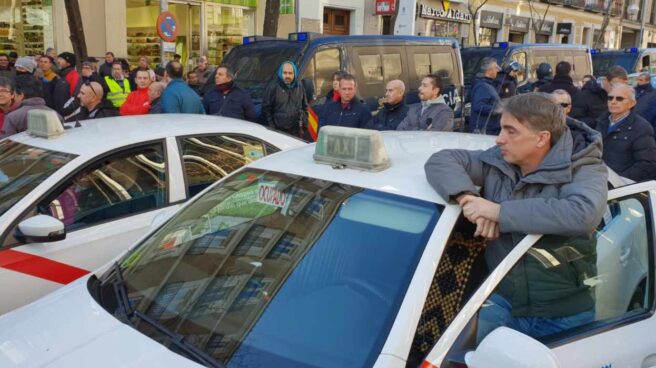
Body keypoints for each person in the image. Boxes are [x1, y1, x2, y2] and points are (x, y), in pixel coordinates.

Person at [425, 92, 607, 341]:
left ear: (541, 138)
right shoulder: (499, 162)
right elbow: (440, 160)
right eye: (501, 129)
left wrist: (498, 212)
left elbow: (582, 213)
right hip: (500, 300)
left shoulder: (583, 166)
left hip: (563, 313)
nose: (499, 139)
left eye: (511, 131)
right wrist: (469, 200)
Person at [595, 83, 656, 182]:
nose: (613, 102)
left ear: (632, 103)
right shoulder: (601, 121)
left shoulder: (641, 127)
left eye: (619, 98)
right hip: (598, 178)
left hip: (621, 185)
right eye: (610, 98)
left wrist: (617, 180)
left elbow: (647, 163)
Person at [262, 61, 308, 136]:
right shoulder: (273, 87)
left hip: (296, 132)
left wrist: (304, 125)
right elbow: (266, 110)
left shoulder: (300, 87)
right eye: (285, 73)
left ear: (294, 74)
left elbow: (305, 106)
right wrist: (273, 129)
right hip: (278, 133)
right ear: (281, 73)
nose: (287, 76)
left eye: (290, 73)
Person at [469, 57, 501, 135]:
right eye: (496, 68)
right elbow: (479, 106)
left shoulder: (487, 84)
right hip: (485, 129)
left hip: (488, 127)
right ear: (489, 70)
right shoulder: (483, 86)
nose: (498, 70)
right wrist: (498, 109)